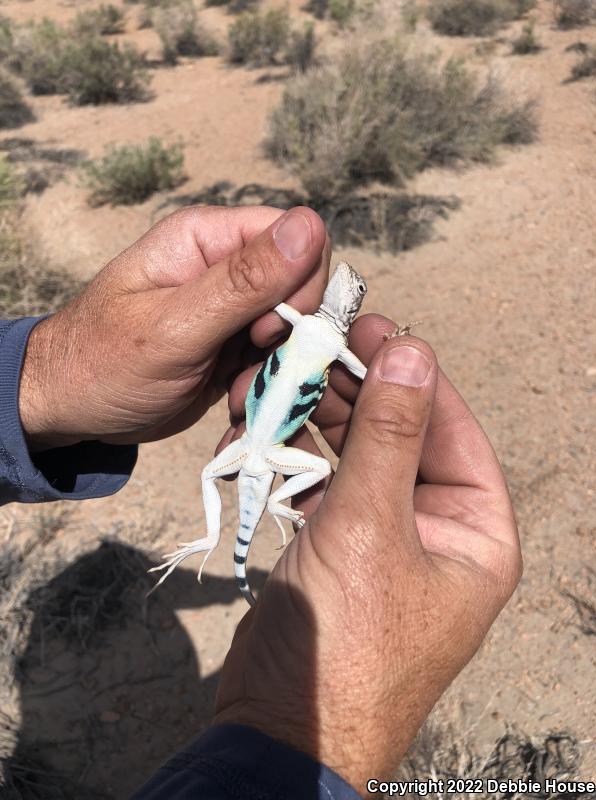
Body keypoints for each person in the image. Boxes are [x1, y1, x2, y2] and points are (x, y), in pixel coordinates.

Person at [0, 206, 522, 799]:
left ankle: (254, 524)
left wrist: (390, 358)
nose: (347, 288)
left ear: (350, 305)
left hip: (258, 448)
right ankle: (234, 532)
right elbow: (281, 314)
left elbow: (364, 368)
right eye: (347, 286)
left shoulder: (316, 332)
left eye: (355, 290)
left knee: (287, 469)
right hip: (259, 449)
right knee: (310, 467)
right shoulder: (307, 326)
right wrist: (240, 287)